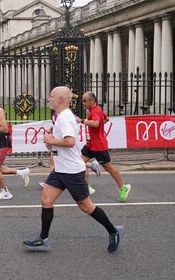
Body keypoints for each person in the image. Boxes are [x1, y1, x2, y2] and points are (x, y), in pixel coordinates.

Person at [23, 86, 123, 253]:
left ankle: (114, 231)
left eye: (51, 96)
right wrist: (50, 139)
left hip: (71, 171)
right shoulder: (60, 117)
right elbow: (59, 142)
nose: (48, 99)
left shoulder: (65, 118)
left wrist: (51, 139)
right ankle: (43, 239)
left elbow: (70, 142)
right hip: (60, 168)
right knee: (46, 200)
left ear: (61, 99)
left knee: (86, 206)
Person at [78, 92, 131, 202]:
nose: (83, 103)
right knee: (78, 162)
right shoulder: (98, 110)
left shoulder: (95, 111)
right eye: (82, 101)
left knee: (109, 168)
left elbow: (96, 123)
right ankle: (86, 187)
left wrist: (84, 121)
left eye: (84, 101)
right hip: (91, 144)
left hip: (98, 145)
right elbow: (106, 119)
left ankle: (123, 187)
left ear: (92, 101)